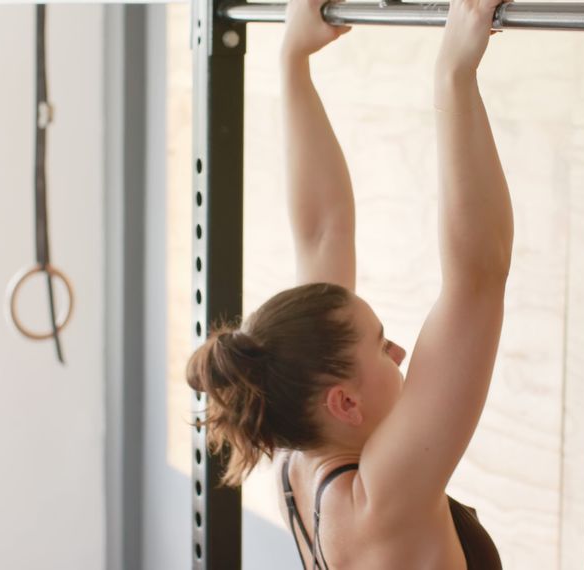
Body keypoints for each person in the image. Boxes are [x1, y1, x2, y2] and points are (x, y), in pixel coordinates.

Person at [187, 0, 513, 566]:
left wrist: (294, 59)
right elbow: (477, 278)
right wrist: (453, 73)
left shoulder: (299, 459)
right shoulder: (383, 501)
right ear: (344, 402)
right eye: (382, 346)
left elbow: (323, 232)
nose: (401, 351)